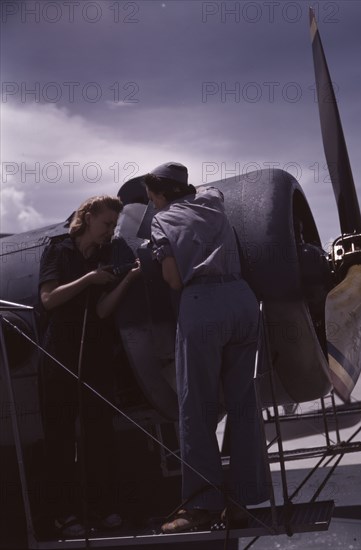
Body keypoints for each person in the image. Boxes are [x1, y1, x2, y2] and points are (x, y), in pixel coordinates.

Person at [144, 162, 269, 534]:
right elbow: (210, 191)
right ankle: (244, 502)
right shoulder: (214, 201)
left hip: (202, 303)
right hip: (243, 301)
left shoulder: (161, 220)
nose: (152, 206)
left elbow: (173, 279)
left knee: (195, 408)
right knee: (244, 402)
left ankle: (201, 505)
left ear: (161, 195)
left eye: (152, 198)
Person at [38, 195, 141, 537]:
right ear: (87, 218)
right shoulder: (59, 250)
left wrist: (126, 280)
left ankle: (102, 509)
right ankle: (63, 515)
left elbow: (101, 311)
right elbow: (49, 299)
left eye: (114, 226)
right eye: (106, 225)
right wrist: (87, 281)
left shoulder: (105, 255)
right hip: (59, 356)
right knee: (61, 439)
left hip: (95, 356)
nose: (110, 232)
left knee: (100, 437)